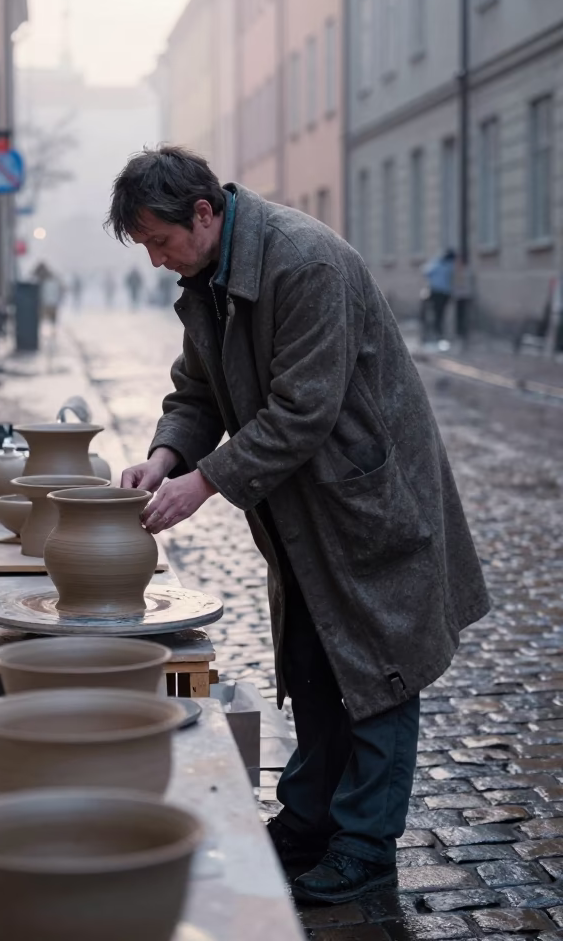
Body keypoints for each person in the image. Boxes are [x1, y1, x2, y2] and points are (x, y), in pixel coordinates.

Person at [107, 147, 489, 905]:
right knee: (313, 667)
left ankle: (364, 846)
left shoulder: (303, 262)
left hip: (366, 502)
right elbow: (197, 391)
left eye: (160, 240)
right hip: (304, 510)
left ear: (205, 213)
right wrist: (165, 454)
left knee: (380, 669)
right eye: (145, 245)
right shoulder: (207, 277)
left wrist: (204, 482)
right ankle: (310, 820)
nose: (155, 260)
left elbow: (302, 410)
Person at [422, 249, 456, 342]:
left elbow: (426, 272)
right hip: (443, 293)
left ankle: (437, 333)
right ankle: (439, 333)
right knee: (440, 313)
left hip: (437, 292)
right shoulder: (450, 265)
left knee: (437, 313)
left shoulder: (437, 264)